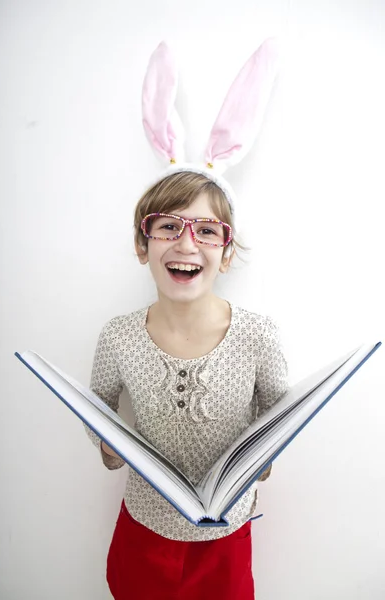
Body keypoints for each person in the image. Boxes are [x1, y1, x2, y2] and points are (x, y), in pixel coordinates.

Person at [85, 39, 289, 600]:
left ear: (227, 251)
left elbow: (277, 422)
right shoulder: (119, 336)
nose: (186, 243)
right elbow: (97, 416)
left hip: (225, 537)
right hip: (143, 532)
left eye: (205, 230)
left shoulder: (257, 335)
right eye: (168, 226)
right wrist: (107, 447)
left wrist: (261, 464)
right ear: (142, 243)